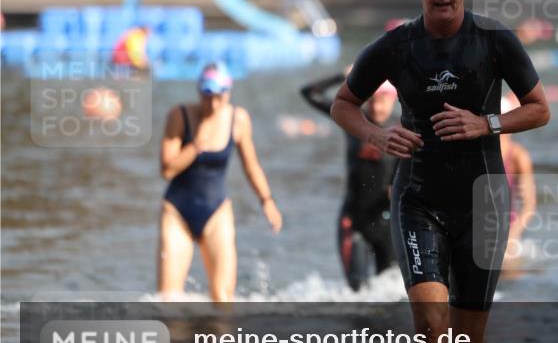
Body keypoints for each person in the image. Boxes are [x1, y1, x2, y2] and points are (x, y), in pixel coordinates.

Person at [331, 0, 550, 343]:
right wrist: (378, 136)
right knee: (432, 327)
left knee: (468, 342)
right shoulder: (395, 47)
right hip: (419, 198)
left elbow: (540, 108)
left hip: (484, 200)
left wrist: (487, 122)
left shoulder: (496, 41)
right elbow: (344, 103)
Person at [159, 62, 282, 303]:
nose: (212, 104)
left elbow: (251, 164)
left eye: (218, 97)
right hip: (176, 212)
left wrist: (266, 200)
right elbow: (167, 170)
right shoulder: (180, 115)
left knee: (223, 299)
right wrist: (195, 146)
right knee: (168, 300)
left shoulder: (238, 119)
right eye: (207, 97)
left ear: (228, 94)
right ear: (199, 92)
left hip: (216, 211)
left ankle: (217, 341)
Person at [300, 73, 399, 291]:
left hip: (388, 223)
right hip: (353, 222)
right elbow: (310, 93)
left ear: (394, 99)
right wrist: (344, 77)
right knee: (359, 294)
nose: (376, 106)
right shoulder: (354, 121)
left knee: (392, 295)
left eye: (382, 100)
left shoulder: (404, 128)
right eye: (371, 100)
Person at [499, 94, 536, 277]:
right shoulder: (475, 151)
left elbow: (529, 204)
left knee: (509, 270)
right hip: (477, 225)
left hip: (508, 225)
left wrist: (512, 237)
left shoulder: (518, 157)